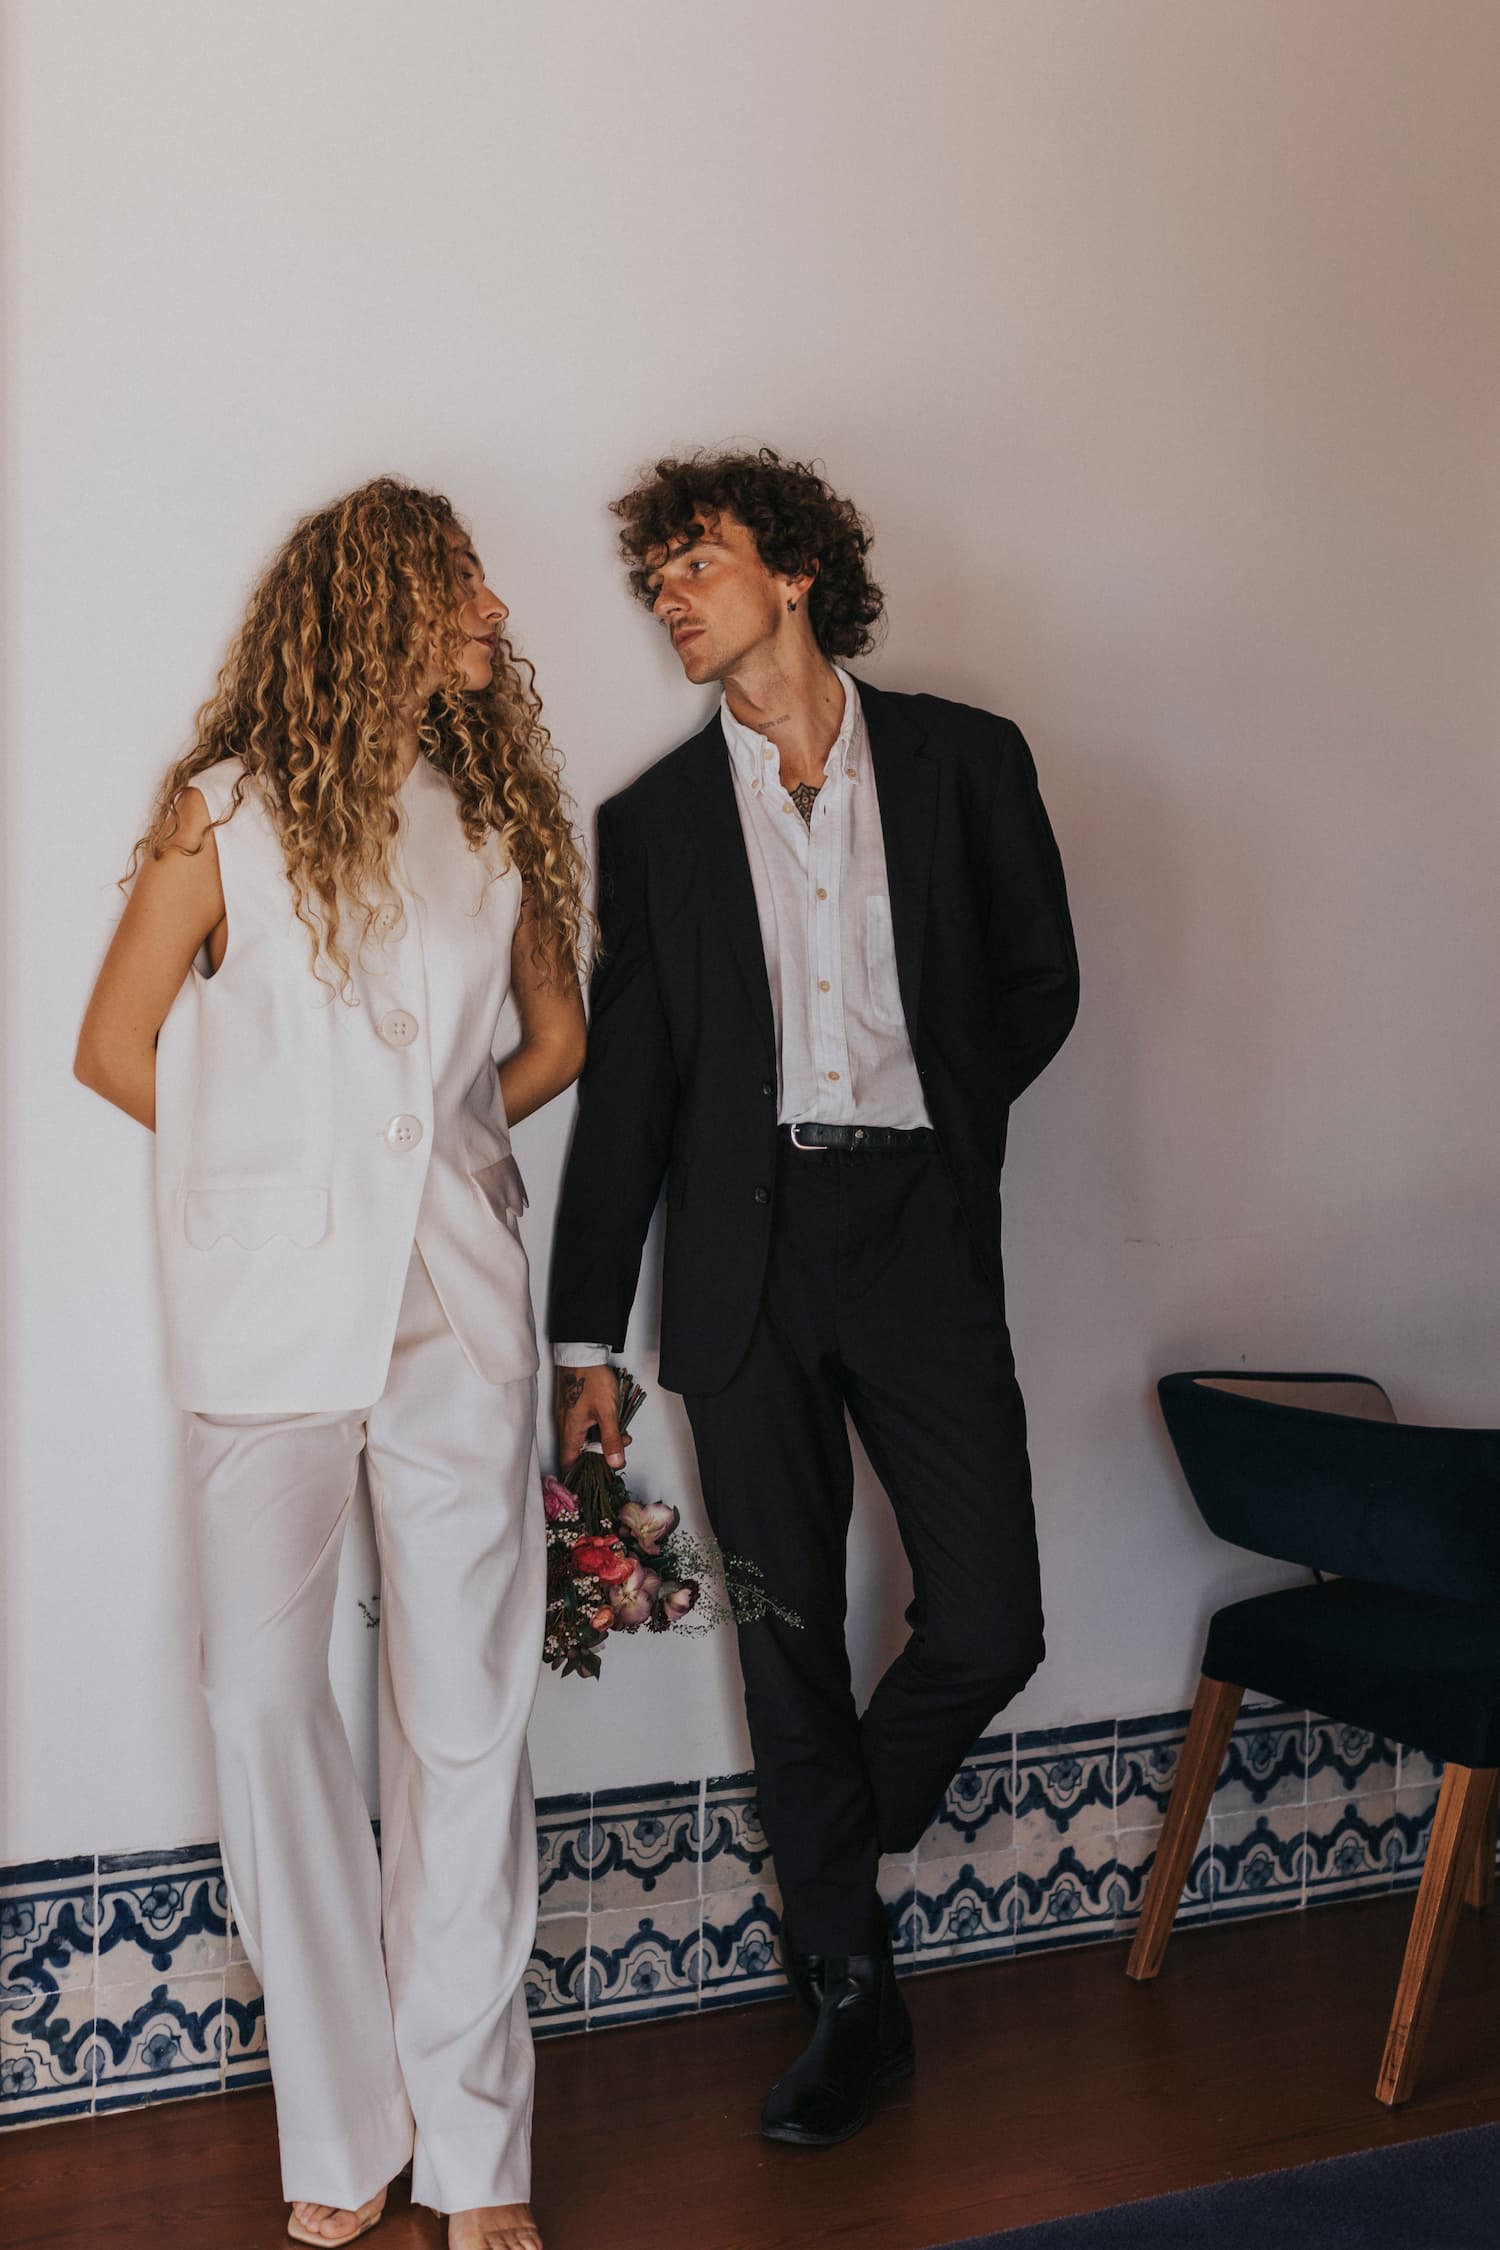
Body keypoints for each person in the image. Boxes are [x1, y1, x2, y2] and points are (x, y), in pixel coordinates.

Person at [75, 476, 586, 2250]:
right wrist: (282, 1183)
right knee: (262, 1702)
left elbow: (556, 1036)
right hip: (269, 1323)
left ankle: (480, 2156)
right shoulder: (214, 818)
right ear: (376, 597)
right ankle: (344, 2125)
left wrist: (429, 1162)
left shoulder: (495, 814)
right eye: (463, 585)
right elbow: (117, 1045)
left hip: (453, 1316)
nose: (496, 615)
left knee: (464, 1727)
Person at [550, 448, 1078, 2148]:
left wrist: (946, 1113)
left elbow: (1038, 981)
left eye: (693, 563)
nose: (670, 600)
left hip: (920, 1225)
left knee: (990, 1616)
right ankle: (853, 1993)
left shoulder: (962, 761)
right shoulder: (651, 827)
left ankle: (826, 1877)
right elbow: (625, 1096)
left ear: (791, 569)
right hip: (743, 1266)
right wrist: (590, 1342)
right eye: (653, 582)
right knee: (788, 1642)